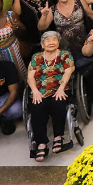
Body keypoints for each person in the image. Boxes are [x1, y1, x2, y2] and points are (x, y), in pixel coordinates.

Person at [26, 30, 75, 162]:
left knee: (58, 105)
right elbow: (30, 76)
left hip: (59, 88)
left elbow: (68, 71)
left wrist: (61, 88)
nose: (51, 43)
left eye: (54, 40)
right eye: (47, 40)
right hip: (40, 91)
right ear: (42, 44)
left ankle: (58, 136)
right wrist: (35, 91)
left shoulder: (65, 54)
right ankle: (41, 142)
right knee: (37, 109)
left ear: (58, 43)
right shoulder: (36, 57)